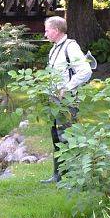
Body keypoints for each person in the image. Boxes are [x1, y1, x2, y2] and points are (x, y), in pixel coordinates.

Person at [42, 16, 92, 183]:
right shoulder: (54, 49)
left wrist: (67, 88)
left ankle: (71, 177)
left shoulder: (71, 47)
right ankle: (58, 175)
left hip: (67, 101)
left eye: (47, 30)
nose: (45, 33)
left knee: (67, 136)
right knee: (56, 135)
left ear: (56, 30)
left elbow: (85, 71)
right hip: (54, 101)